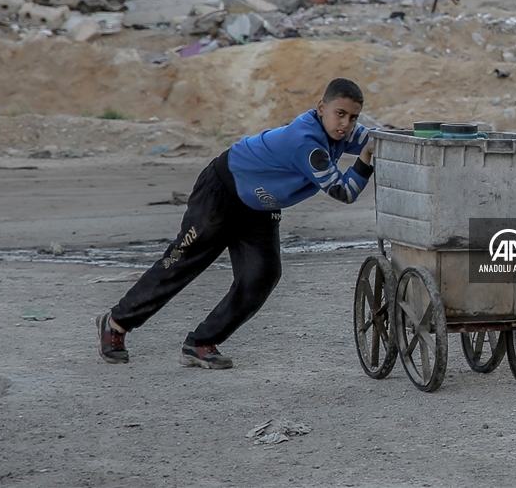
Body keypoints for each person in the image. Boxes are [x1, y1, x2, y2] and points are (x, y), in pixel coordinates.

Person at [96, 78, 375, 369]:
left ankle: (200, 343)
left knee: (262, 275)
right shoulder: (306, 143)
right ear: (321, 107)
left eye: (353, 117)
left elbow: (376, 138)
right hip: (223, 190)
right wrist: (366, 158)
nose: (345, 124)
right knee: (182, 262)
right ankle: (116, 323)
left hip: (259, 205)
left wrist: (401, 139)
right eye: (340, 114)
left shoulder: (340, 131)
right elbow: (344, 191)